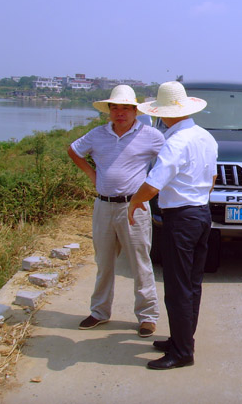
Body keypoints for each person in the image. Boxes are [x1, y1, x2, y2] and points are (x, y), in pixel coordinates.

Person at [127, 81, 218, 370]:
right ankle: (182, 339)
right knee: (191, 284)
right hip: (201, 213)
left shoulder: (176, 142)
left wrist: (134, 202)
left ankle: (182, 352)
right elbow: (213, 178)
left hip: (181, 218)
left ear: (163, 113)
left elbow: (153, 184)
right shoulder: (205, 136)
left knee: (178, 287)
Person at [67, 85, 165, 337]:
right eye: (115, 108)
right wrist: (92, 174)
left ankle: (147, 316)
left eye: (126, 108)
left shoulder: (151, 135)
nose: (120, 113)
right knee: (104, 262)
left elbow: (169, 160)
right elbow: (73, 150)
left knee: (140, 263)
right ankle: (99, 312)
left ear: (135, 111)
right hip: (103, 206)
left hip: (134, 206)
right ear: (109, 110)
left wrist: (153, 185)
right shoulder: (97, 134)